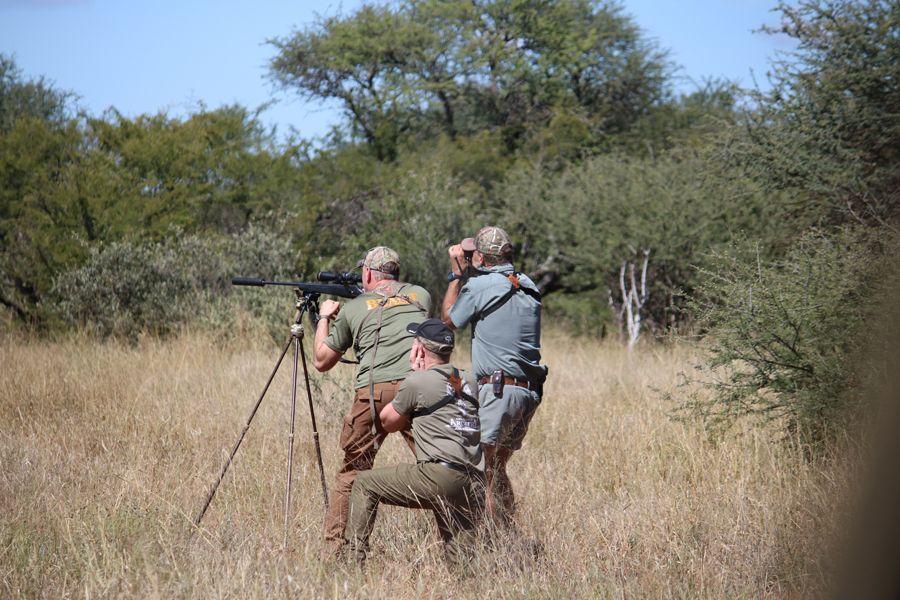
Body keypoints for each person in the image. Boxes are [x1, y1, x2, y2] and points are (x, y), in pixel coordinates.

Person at [313, 246, 431, 554]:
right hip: (417, 388)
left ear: (367, 273)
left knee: (353, 471)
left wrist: (324, 317)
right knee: (438, 464)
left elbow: (322, 361)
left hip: (374, 393)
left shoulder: (353, 308)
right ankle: (463, 535)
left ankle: (338, 549)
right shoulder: (421, 295)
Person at [345, 318, 483, 565]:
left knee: (364, 483)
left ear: (419, 349)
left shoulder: (417, 381)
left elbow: (388, 422)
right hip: (473, 480)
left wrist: (412, 375)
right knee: (462, 560)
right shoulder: (468, 380)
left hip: (439, 476)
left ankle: (352, 563)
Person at [441, 226, 547, 528]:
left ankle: (491, 539)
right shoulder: (527, 283)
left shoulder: (481, 286)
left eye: (472, 252)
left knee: (483, 468)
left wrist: (456, 276)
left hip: (500, 391)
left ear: (481, 257)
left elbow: (448, 321)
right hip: (527, 391)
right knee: (497, 467)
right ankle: (506, 530)